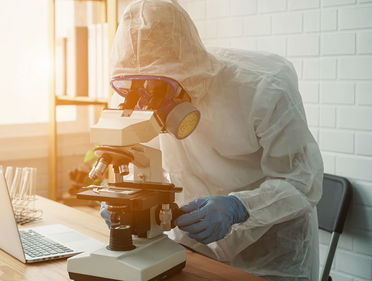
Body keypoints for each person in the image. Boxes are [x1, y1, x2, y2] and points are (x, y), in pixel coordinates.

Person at [101, 0, 324, 280]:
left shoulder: (263, 87)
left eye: (158, 87)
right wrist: (123, 200)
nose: (147, 100)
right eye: (136, 88)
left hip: (273, 253)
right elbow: (141, 164)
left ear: (183, 69)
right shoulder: (138, 90)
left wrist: (239, 208)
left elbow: (302, 182)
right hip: (196, 244)